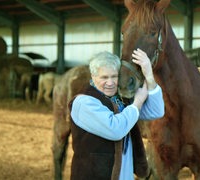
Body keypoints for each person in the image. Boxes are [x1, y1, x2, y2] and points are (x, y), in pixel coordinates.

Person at [69, 49, 165, 180]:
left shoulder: (119, 99)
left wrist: (149, 75)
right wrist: (137, 103)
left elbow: (157, 111)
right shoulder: (84, 102)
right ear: (93, 76)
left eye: (114, 76)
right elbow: (115, 129)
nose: (110, 82)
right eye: (104, 77)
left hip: (124, 174)